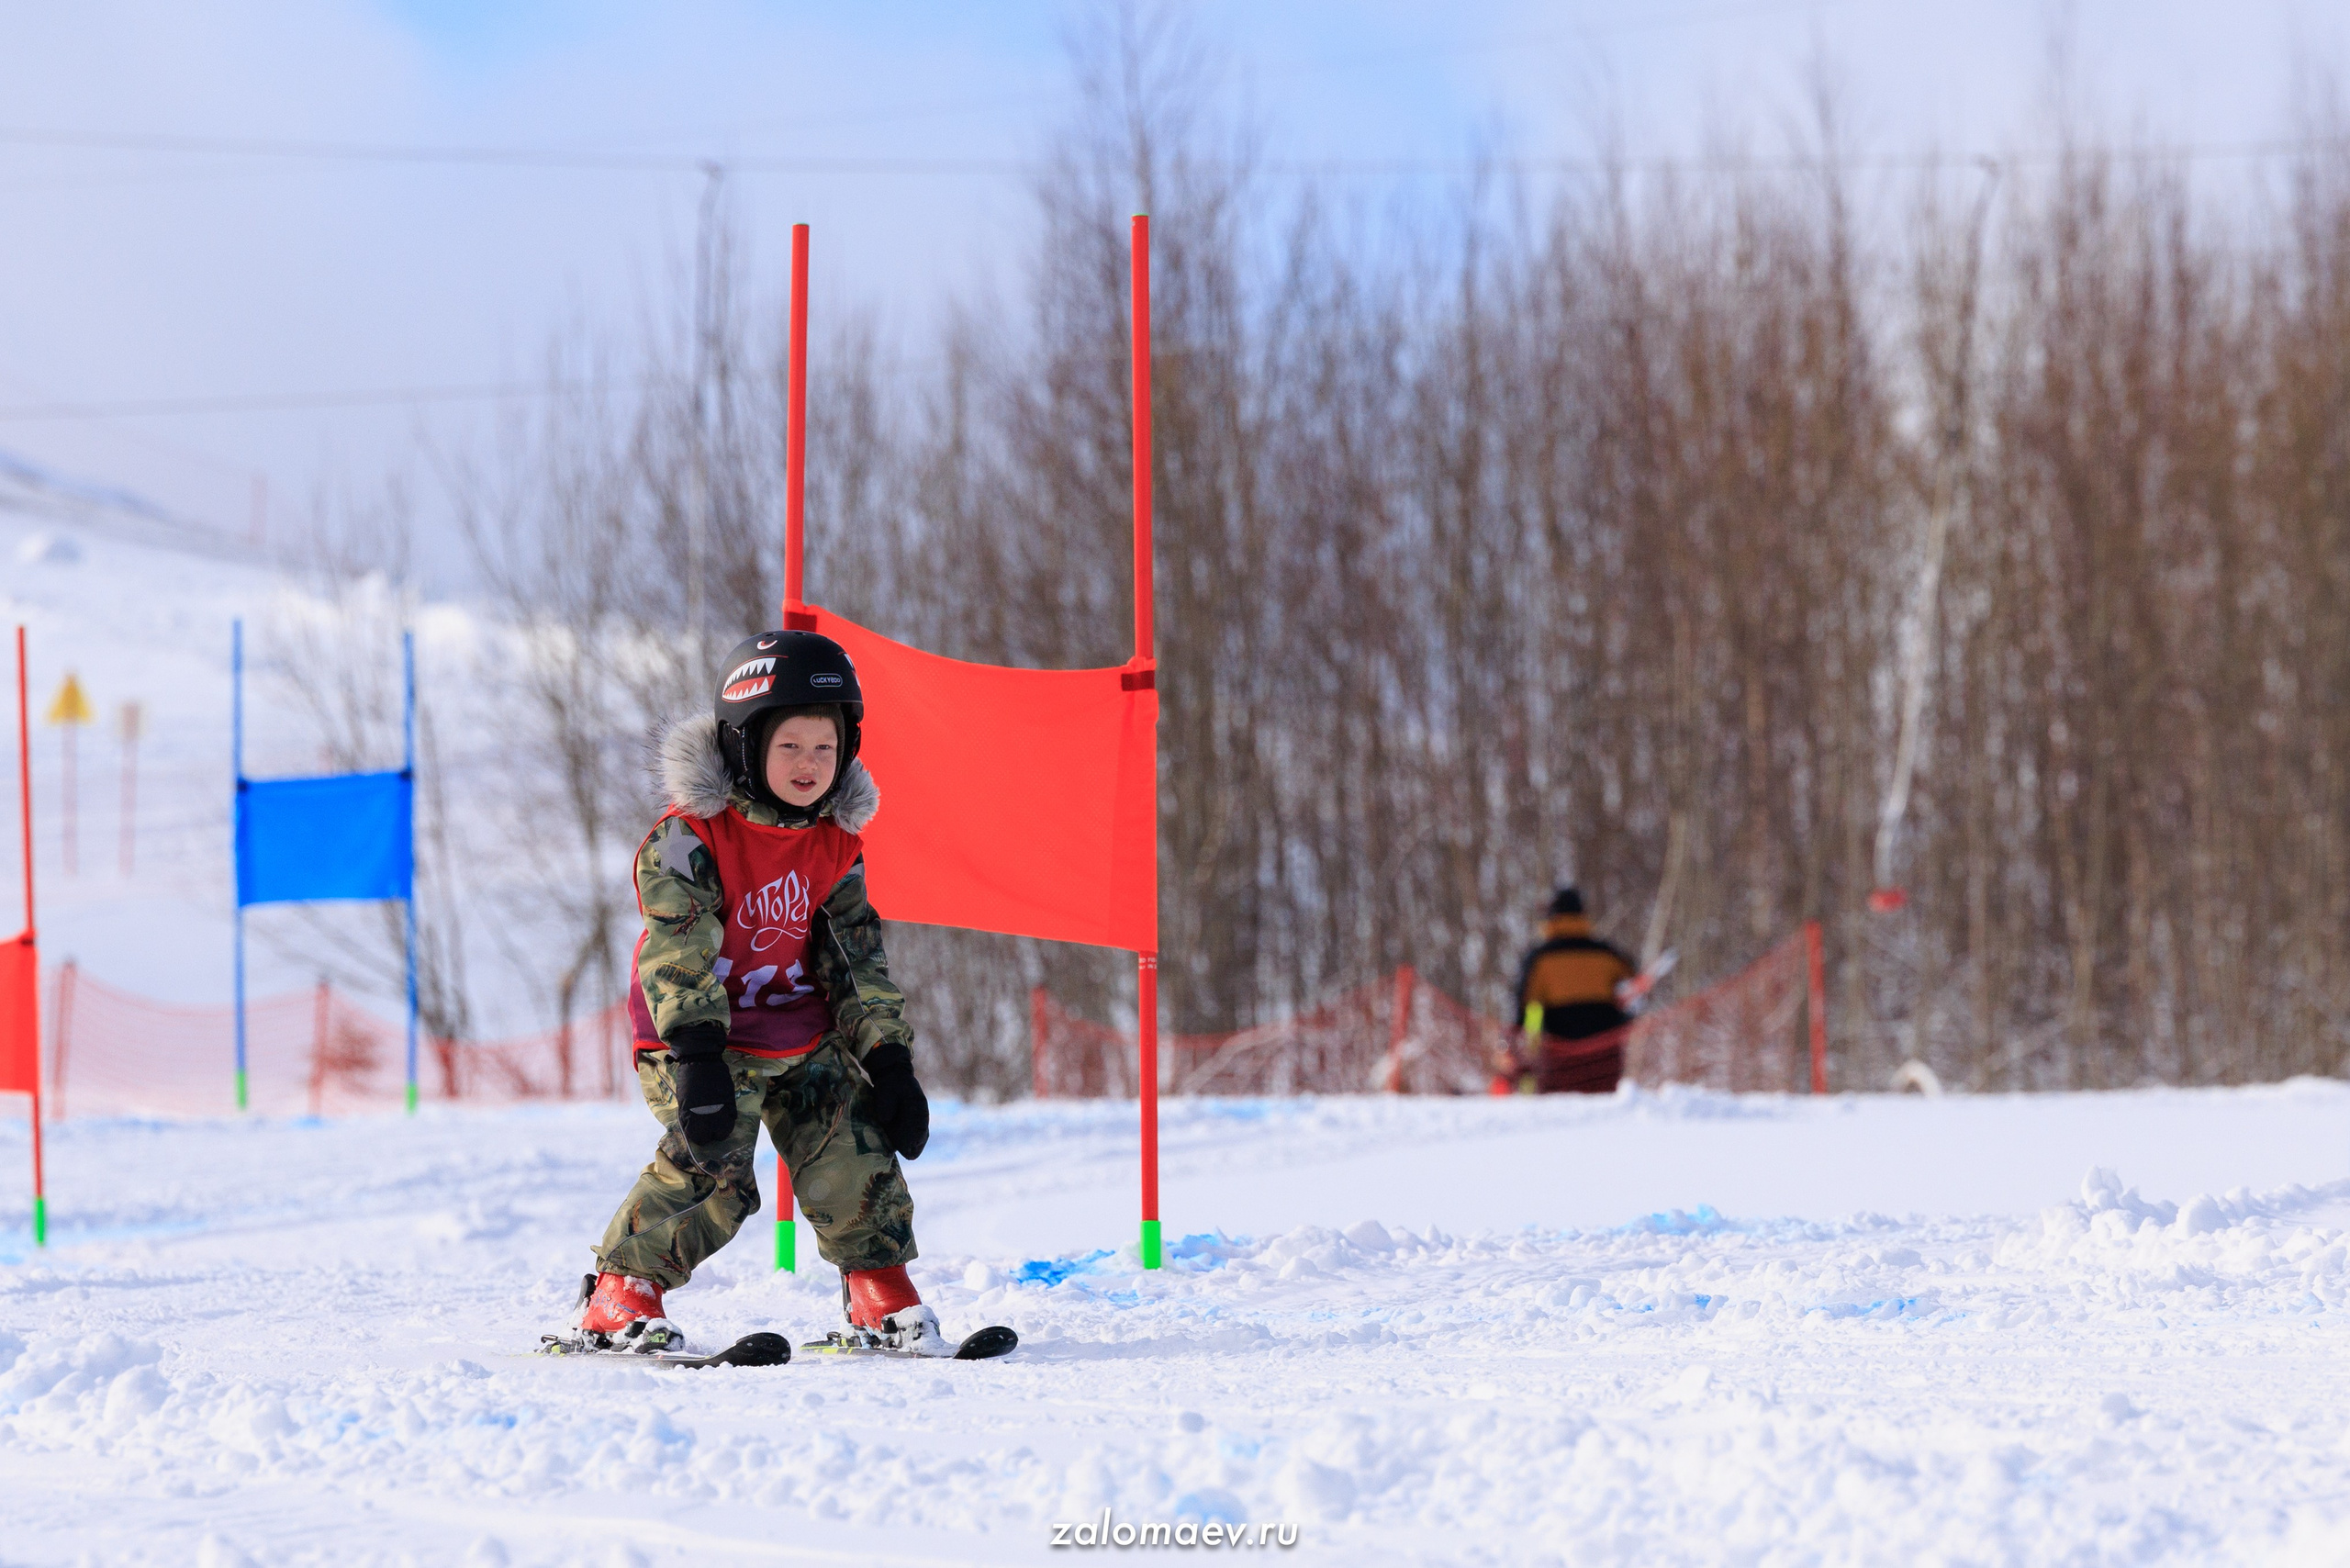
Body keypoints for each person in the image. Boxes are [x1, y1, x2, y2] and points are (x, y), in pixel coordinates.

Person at [570, 628, 956, 1356]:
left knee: (853, 1142)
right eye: (790, 747)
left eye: (826, 748)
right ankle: (621, 1292)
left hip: (801, 1032)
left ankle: (879, 1290)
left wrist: (891, 1061)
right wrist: (697, 1055)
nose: (810, 765)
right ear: (747, 745)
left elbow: (855, 961)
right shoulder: (690, 838)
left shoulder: (835, 845)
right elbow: (678, 947)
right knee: (715, 1161)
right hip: (698, 1042)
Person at [1499, 887, 1637, 1093]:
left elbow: (1526, 1009)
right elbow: (1635, 990)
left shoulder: (1539, 959)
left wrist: (1519, 1047)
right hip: (1606, 1062)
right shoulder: (1609, 955)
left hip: (1560, 1065)